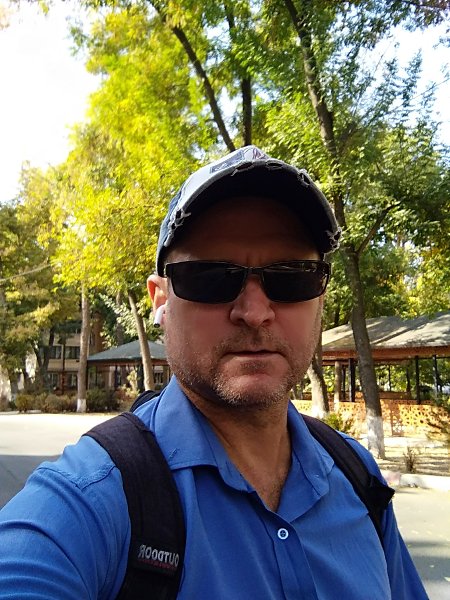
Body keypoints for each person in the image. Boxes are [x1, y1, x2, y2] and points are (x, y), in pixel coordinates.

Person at [0, 146, 427, 599]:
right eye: (210, 277)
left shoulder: (356, 475)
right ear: (161, 301)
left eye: (292, 275)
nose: (255, 312)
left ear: (320, 296)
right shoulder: (92, 499)